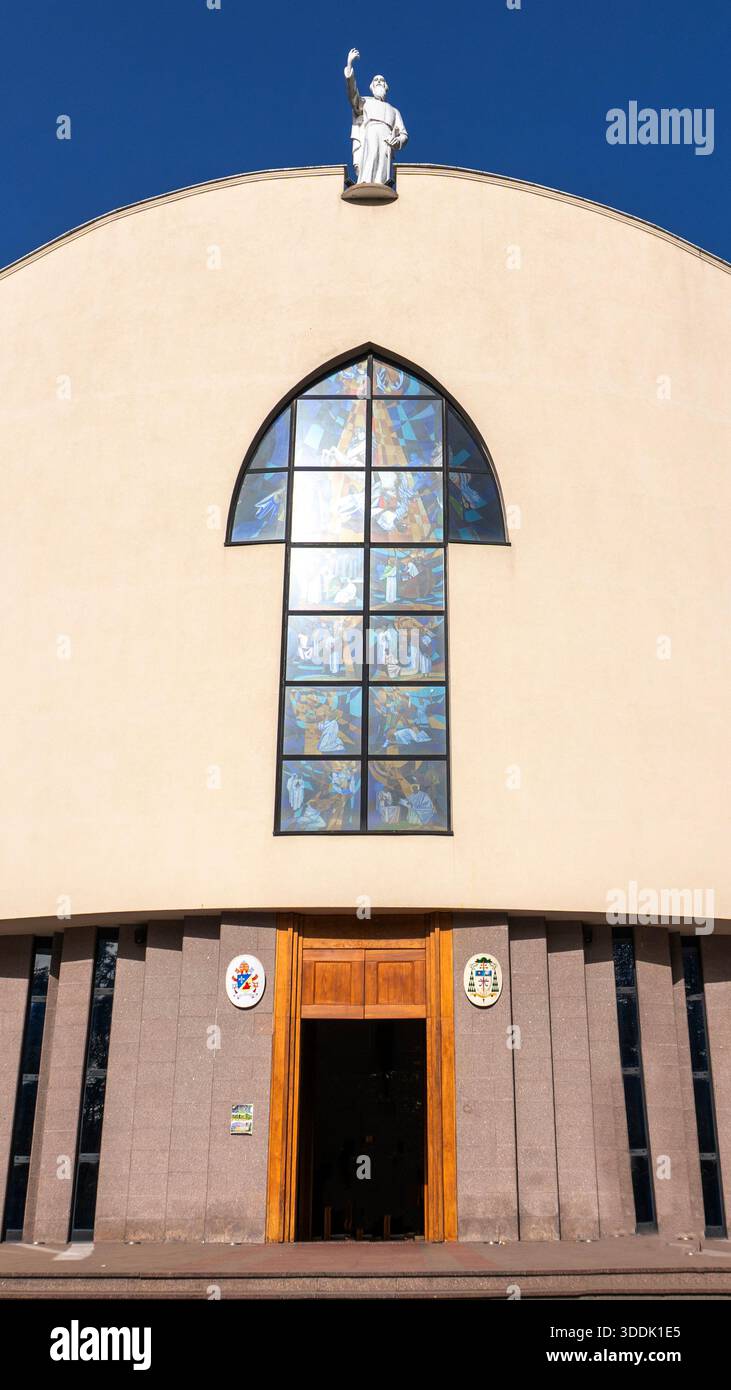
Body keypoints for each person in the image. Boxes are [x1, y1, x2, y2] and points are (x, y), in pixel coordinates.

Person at [344, 48, 408, 186]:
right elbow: (352, 94)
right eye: (376, 80)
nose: (379, 81)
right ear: (372, 86)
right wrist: (349, 66)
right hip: (371, 129)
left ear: (386, 86)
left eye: (382, 80)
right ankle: (365, 182)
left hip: (387, 135)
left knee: (383, 161)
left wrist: (397, 141)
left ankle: (380, 184)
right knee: (371, 154)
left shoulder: (394, 111)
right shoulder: (366, 102)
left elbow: (404, 134)